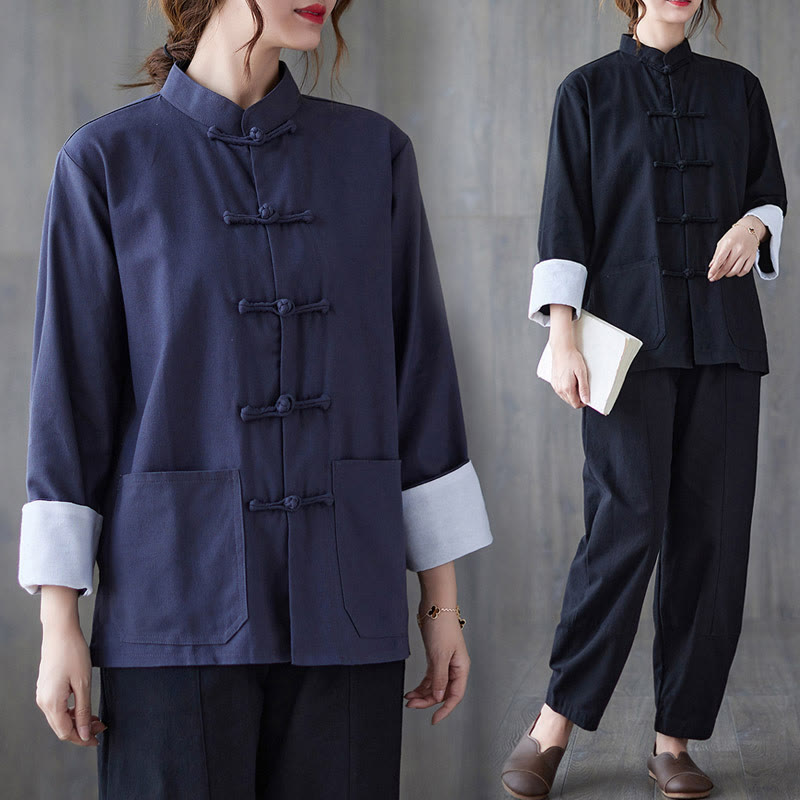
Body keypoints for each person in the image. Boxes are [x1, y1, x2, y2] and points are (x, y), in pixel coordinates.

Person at [17, 1, 493, 797]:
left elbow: (420, 383)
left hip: (348, 599)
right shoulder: (105, 163)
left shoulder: (373, 155)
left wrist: (441, 607)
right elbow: (71, 405)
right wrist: (57, 619)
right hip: (174, 604)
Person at [500, 1, 787, 798]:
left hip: (724, 340)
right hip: (623, 343)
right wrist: (562, 334)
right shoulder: (586, 91)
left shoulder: (738, 88)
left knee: (712, 538)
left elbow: (768, 191)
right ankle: (552, 724)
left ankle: (674, 741)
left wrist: (756, 228)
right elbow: (566, 217)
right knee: (624, 526)